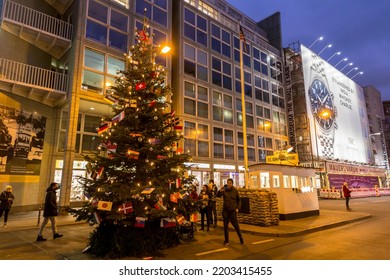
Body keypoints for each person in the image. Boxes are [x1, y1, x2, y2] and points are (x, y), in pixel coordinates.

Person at [216, 178, 244, 246]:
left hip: (232, 211)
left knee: (236, 226)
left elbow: (239, 200)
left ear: (232, 184)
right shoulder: (224, 190)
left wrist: (237, 208)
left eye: (230, 183)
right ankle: (226, 240)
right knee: (225, 226)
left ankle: (241, 238)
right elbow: (218, 196)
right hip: (225, 211)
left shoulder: (235, 191)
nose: (229, 184)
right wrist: (220, 191)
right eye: (228, 183)